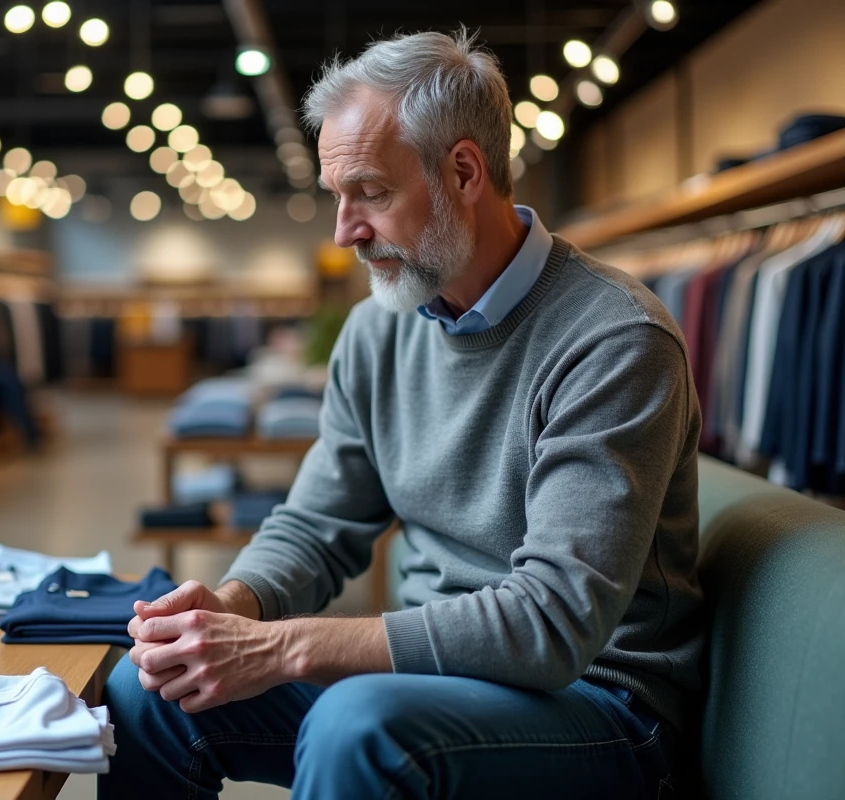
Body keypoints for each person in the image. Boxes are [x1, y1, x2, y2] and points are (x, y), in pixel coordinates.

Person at [100, 29, 703, 800]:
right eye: (338, 197)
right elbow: (317, 526)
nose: (344, 231)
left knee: (360, 726)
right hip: (433, 684)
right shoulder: (378, 329)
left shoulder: (614, 339)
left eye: (372, 193)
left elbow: (554, 623)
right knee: (151, 695)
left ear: (462, 172)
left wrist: (281, 647)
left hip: (602, 707)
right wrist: (231, 606)